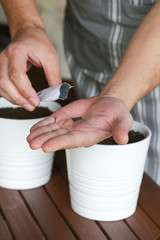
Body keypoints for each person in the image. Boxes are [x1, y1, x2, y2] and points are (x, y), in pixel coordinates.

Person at [0, 0, 160, 183]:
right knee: (94, 168)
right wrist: (27, 25)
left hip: (155, 59)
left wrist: (115, 95)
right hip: (88, 44)